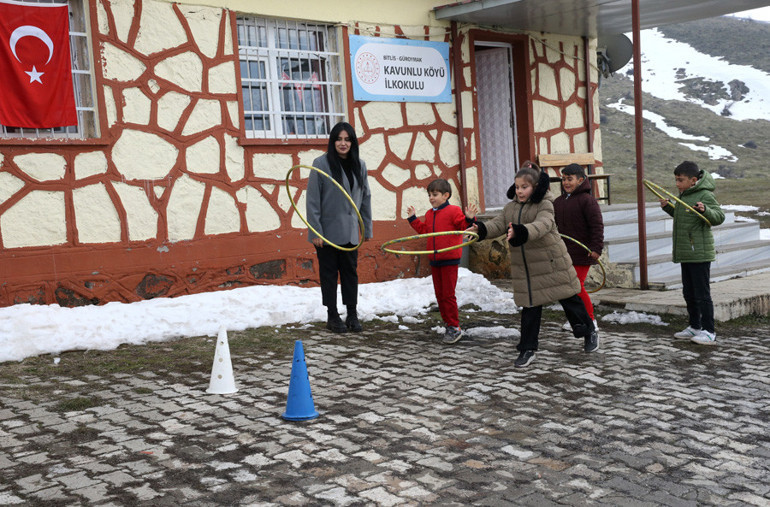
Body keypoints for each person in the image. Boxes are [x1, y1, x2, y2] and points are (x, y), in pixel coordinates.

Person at [467, 161, 599, 368]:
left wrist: (522, 231)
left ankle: (589, 332)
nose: (520, 191)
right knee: (530, 307)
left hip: (552, 262)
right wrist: (480, 229)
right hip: (527, 268)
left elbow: (543, 224)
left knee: (570, 299)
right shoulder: (510, 208)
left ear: (535, 187)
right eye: (517, 187)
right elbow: (498, 224)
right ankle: (527, 349)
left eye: (524, 187)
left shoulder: (546, 204)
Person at [307, 122, 373, 333]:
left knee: (349, 274)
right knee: (328, 274)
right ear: (332, 141)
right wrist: (315, 231)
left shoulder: (359, 165)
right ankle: (332, 315)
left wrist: (367, 228)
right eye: (339, 139)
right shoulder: (320, 163)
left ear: (352, 142)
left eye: (347, 139)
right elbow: (312, 201)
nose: (343, 143)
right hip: (326, 233)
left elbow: (365, 198)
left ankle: (352, 314)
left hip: (351, 231)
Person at [659, 161, 725, 344]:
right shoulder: (684, 195)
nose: (677, 184)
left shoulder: (704, 195)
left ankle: (709, 330)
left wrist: (706, 210)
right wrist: (668, 207)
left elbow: (719, 216)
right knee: (689, 292)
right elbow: (684, 217)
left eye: (680, 180)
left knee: (702, 293)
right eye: (676, 180)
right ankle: (695, 326)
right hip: (686, 252)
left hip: (699, 252)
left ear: (693, 180)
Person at [406, 179, 478, 344]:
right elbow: (425, 231)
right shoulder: (430, 214)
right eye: (429, 195)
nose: (431, 198)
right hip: (435, 259)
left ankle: (455, 326)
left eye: (435, 194)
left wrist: (469, 219)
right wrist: (413, 219)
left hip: (449, 259)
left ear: (446, 195)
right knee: (440, 295)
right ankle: (448, 324)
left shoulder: (453, 211)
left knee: (448, 294)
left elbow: (462, 227)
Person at [553, 163, 604, 331]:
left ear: (581, 180)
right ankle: (576, 320)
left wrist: (596, 248)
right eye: (564, 179)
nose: (566, 182)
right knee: (567, 289)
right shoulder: (558, 202)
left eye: (570, 179)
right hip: (564, 252)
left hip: (583, 253)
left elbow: (597, 226)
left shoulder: (587, 201)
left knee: (576, 286)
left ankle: (590, 320)